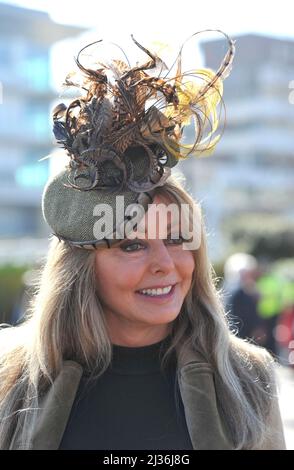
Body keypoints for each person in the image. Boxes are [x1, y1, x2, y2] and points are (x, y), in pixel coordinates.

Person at [0, 31, 286, 450]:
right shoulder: (10, 377)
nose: (166, 265)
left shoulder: (247, 377)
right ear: (81, 267)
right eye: (132, 245)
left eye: (176, 239)